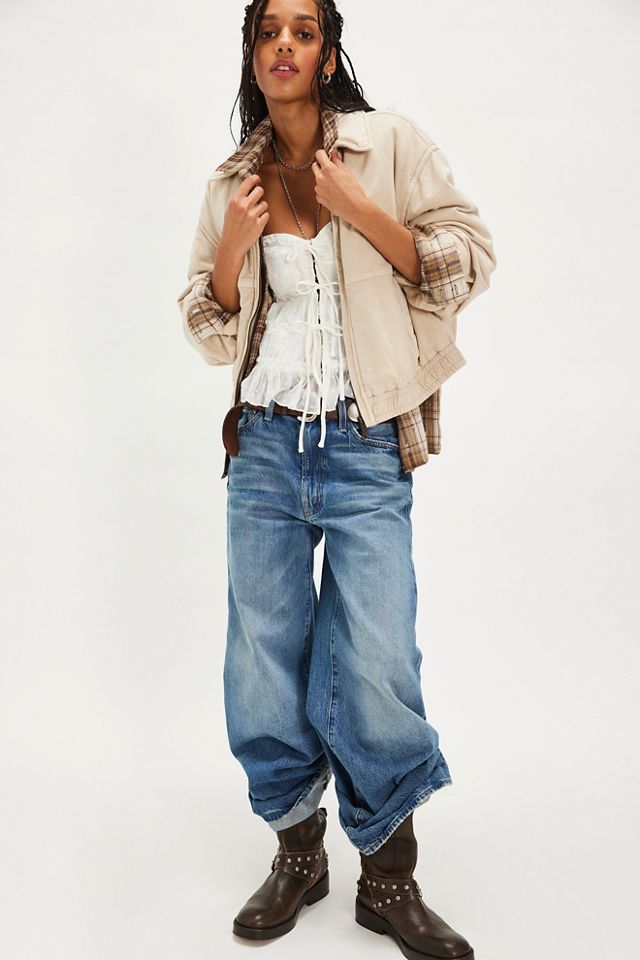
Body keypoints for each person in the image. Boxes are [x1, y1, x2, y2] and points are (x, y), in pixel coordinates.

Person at [177, 1, 496, 957]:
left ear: (326, 52)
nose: (284, 44)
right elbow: (208, 326)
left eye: (303, 30)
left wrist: (363, 213)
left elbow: (468, 262)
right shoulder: (232, 183)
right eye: (268, 30)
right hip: (264, 447)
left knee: (379, 657)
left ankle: (389, 877)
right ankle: (298, 851)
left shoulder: (386, 146)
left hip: (364, 442)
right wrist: (233, 250)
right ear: (252, 52)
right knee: (262, 658)